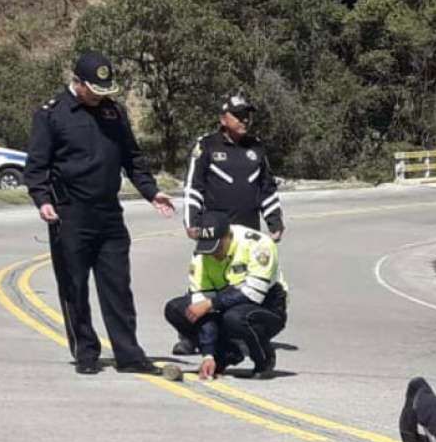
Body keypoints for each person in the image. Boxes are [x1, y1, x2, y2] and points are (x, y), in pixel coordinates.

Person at [24, 50, 175, 375]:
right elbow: (36, 166)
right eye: (95, 89)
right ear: (78, 82)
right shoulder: (52, 114)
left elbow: (132, 159)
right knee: (74, 286)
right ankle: (86, 352)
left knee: (118, 287)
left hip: (109, 214)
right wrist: (43, 200)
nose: (100, 96)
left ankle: (129, 354)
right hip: (69, 214)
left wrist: (151, 192)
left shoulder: (114, 114)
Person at [175, 93, 284, 355]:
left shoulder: (256, 147)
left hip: (248, 230)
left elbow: (266, 187)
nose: (245, 119)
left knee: (242, 284)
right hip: (215, 229)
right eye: (239, 115)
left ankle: (237, 333)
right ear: (223, 118)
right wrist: (192, 221)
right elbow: (194, 187)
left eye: (248, 114)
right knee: (204, 280)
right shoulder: (207, 146)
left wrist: (274, 220)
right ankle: (190, 335)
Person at [163, 211, 288, 381]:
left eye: (217, 248)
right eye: (208, 249)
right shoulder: (201, 255)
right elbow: (202, 310)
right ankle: (225, 354)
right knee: (176, 309)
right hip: (224, 303)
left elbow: (254, 293)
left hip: (266, 305)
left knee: (234, 317)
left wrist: (211, 304)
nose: (213, 255)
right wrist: (208, 354)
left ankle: (263, 359)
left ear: (228, 236)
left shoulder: (259, 245)